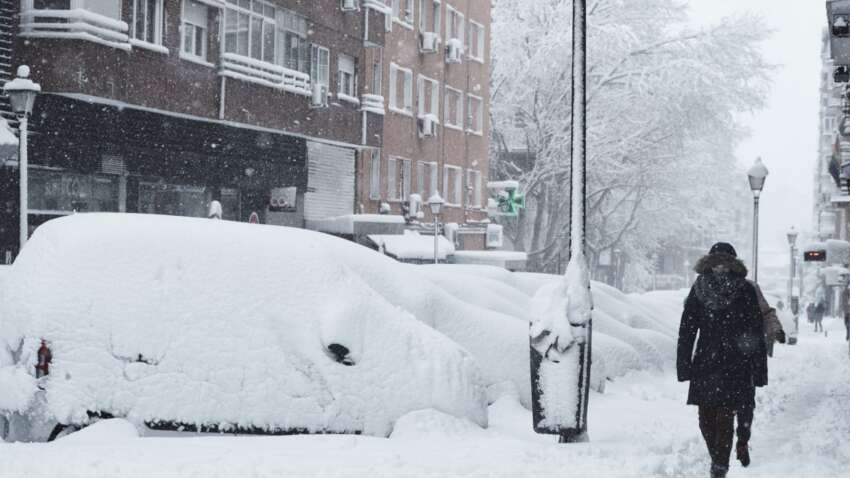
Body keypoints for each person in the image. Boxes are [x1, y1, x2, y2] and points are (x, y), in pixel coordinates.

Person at [678, 243, 768, 478]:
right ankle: (719, 460)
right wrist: (683, 365)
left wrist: (757, 368)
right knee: (706, 419)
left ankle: (719, 467)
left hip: (732, 362)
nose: (720, 266)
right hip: (708, 363)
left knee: (722, 417)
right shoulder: (699, 288)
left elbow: (755, 331)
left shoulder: (745, 290)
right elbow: (687, 329)